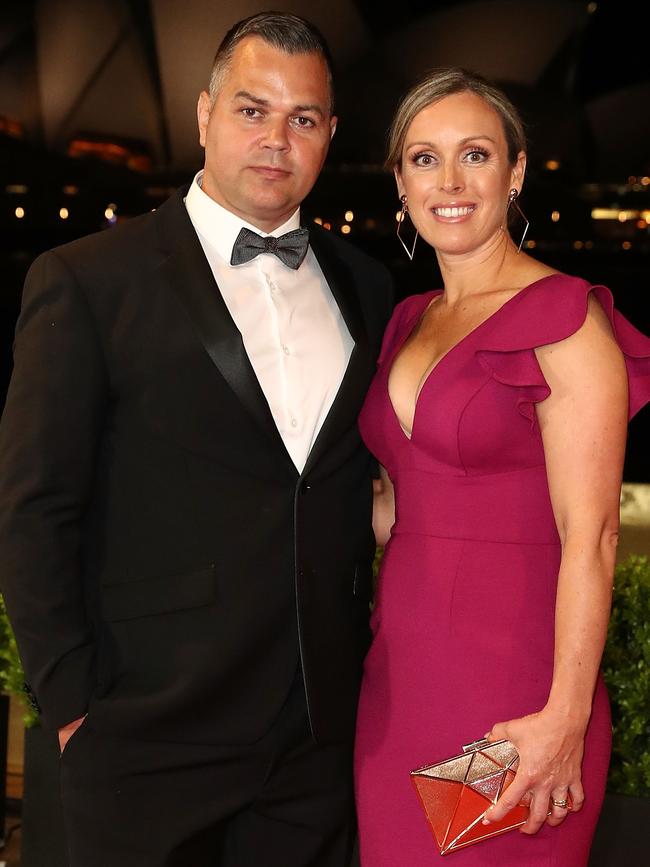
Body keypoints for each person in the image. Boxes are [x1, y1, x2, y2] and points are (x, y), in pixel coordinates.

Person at [0, 12, 393, 867]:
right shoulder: (85, 280)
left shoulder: (368, 287)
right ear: (206, 112)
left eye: (303, 119)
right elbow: (35, 507)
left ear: (330, 135)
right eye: (253, 110)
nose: (276, 140)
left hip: (317, 747)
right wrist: (73, 708)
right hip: (147, 739)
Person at [354, 67, 650, 867]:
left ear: (514, 172)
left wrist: (563, 719)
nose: (448, 181)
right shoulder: (409, 320)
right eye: (423, 158)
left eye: (474, 155)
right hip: (397, 688)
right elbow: (396, 505)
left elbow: (590, 536)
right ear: (400, 181)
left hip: (512, 695)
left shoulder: (565, 319)